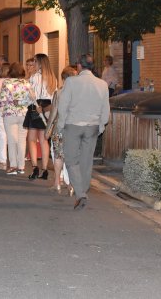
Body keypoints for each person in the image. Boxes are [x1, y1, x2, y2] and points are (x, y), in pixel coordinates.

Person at [57, 54, 110, 210]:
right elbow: (105, 109)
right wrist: (101, 125)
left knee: (72, 160)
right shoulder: (102, 84)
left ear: (79, 66)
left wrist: (60, 125)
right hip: (92, 126)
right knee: (87, 161)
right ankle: (83, 189)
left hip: (73, 125)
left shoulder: (71, 82)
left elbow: (63, 106)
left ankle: (81, 193)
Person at [45, 65, 77, 194]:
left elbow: (53, 113)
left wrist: (48, 129)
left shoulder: (59, 92)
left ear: (63, 79)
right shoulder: (79, 93)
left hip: (60, 127)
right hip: (75, 128)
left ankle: (57, 183)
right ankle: (71, 184)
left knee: (58, 155)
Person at [25, 53, 57, 180]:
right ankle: (44, 169)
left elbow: (31, 95)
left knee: (32, 140)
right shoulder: (52, 77)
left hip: (35, 107)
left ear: (39, 63)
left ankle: (34, 167)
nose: (34, 64)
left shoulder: (35, 77)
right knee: (44, 140)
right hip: (48, 108)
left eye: (35, 61)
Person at [0, 62, 33, 175]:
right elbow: (32, 98)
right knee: (22, 140)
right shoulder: (26, 83)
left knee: (12, 141)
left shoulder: (7, 82)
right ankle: (21, 167)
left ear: (10, 72)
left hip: (9, 114)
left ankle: (13, 166)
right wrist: (22, 103)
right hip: (23, 115)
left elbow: (2, 99)